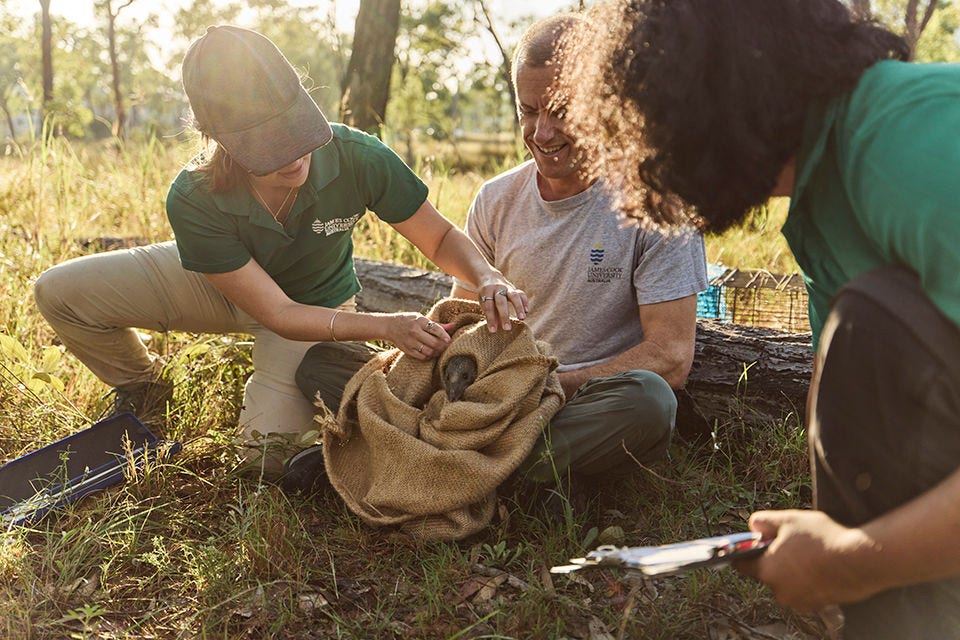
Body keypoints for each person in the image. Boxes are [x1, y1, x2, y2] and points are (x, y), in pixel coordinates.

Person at [561, 1, 960, 637]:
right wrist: (829, 539)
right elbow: (845, 416)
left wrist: (853, 563)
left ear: (718, 97)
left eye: (657, 127)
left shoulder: (904, 137)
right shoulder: (823, 207)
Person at [33, 25, 527, 480]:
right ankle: (144, 390)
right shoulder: (192, 194)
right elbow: (274, 310)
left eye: (297, 132)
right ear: (218, 139)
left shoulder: (358, 156)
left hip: (314, 306)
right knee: (59, 292)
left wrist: (486, 276)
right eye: (270, 145)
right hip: (219, 284)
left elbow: (438, 238)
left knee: (265, 458)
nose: (293, 157)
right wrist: (386, 326)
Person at [450, 13, 707, 487]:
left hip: (582, 407)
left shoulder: (659, 203)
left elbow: (671, 357)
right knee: (326, 363)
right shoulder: (494, 199)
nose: (541, 133)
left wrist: (542, 385)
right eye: (529, 111)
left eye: (562, 110)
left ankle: (466, 473)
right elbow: (463, 323)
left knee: (649, 400)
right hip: (497, 400)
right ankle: (491, 471)